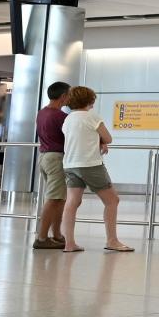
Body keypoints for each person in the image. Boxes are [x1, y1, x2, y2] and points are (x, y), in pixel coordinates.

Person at [59, 86, 131, 253]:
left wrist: (98, 141)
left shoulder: (68, 119)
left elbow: (81, 136)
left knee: (72, 202)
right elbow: (108, 138)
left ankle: (69, 243)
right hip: (90, 165)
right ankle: (112, 240)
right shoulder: (92, 116)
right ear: (89, 101)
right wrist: (102, 141)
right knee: (112, 200)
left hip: (70, 164)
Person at [33, 82, 71, 250]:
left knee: (59, 198)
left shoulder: (42, 112)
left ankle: (57, 235)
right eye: (69, 95)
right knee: (54, 198)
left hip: (45, 157)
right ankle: (42, 238)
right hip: (56, 159)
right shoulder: (60, 116)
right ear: (63, 96)